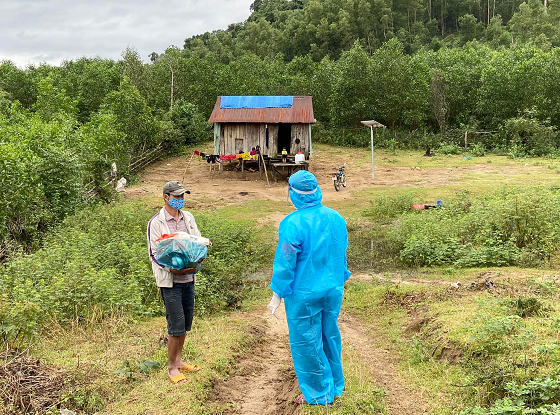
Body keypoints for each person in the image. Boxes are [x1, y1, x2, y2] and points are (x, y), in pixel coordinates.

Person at [268, 171, 351, 405]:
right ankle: (335, 385)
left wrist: (278, 293)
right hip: (333, 289)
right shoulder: (336, 218)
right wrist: (340, 277)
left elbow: (286, 263)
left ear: (293, 193)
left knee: (306, 340)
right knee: (329, 334)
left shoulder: (293, 223)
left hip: (304, 293)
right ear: (317, 190)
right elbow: (340, 253)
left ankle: (318, 393)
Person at [147, 180, 202, 384]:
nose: (180, 200)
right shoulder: (156, 222)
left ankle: (179, 361)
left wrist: (198, 255)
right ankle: (172, 367)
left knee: (186, 321)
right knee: (175, 324)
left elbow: (196, 240)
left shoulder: (188, 218)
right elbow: (154, 254)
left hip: (188, 276)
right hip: (170, 280)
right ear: (166, 197)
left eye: (182, 197)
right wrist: (173, 267)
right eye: (176, 197)